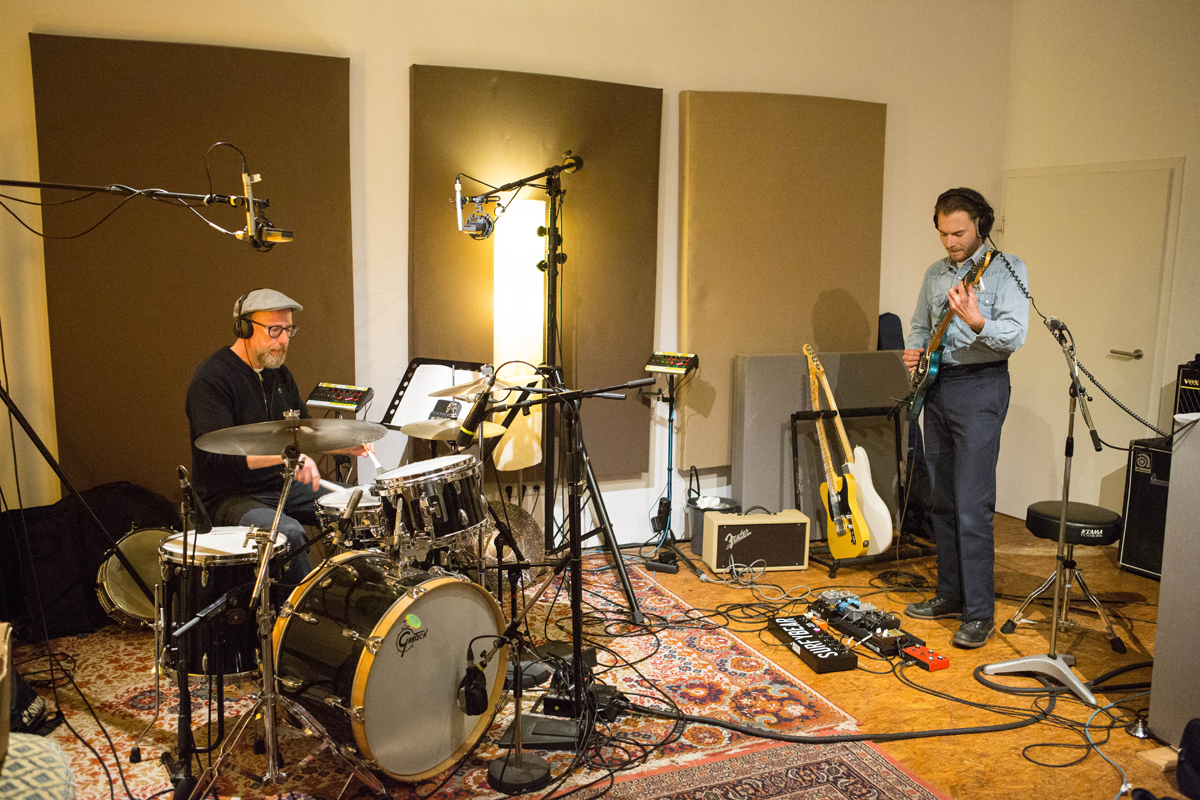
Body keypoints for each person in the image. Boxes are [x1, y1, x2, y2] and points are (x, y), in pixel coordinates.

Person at [902, 188, 1029, 649]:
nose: (950, 242)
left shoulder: (1007, 269)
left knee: (973, 507)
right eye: (943, 233)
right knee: (942, 502)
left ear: (981, 225)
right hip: (937, 386)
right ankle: (950, 595)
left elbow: (1015, 333)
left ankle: (979, 614)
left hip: (981, 387)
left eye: (958, 233)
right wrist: (915, 353)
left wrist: (977, 322)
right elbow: (919, 325)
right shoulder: (935, 273)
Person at [185, 288, 370, 584]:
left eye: (288, 330)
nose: (283, 340)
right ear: (244, 328)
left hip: (280, 484)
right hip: (229, 498)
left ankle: (362, 596)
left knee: (361, 505)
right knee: (289, 533)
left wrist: (344, 444)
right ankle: (298, 610)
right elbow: (219, 459)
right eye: (274, 330)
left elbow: (302, 433)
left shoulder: (279, 374)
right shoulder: (212, 379)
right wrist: (287, 458)